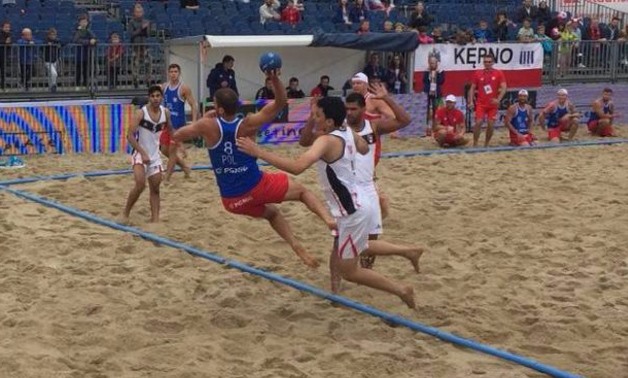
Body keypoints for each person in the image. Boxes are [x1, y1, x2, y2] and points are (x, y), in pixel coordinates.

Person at [237, 96, 418, 308]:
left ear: (329, 121)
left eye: (317, 115)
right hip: (359, 202)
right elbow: (363, 148)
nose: (314, 119)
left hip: (353, 211)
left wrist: (258, 152)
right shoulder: (347, 131)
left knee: (349, 271)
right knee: (355, 246)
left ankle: (402, 290)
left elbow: (297, 167)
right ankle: (408, 252)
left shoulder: (325, 140)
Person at [172, 71, 335, 268]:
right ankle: (328, 220)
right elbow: (281, 102)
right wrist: (273, 78)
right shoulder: (249, 124)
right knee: (302, 192)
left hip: (231, 200)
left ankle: (297, 247)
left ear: (219, 109)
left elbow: (178, 134)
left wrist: (201, 122)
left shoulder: (208, 125)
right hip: (257, 185)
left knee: (272, 214)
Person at [299, 87, 421, 287]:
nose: (349, 112)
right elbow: (304, 141)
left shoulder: (373, 127)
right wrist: (313, 115)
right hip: (349, 189)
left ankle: (366, 274)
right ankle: (336, 286)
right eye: (347, 108)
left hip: (368, 187)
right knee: (340, 242)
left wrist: (386, 99)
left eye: (354, 109)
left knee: (368, 241)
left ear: (364, 109)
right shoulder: (338, 128)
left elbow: (405, 121)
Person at [123, 85, 172, 223]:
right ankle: (126, 212)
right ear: (149, 98)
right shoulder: (141, 113)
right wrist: (142, 153)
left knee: (155, 188)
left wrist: (177, 143)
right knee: (140, 184)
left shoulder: (166, 113)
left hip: (155, 155)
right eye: (153, 96)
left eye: (158, 96)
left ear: (162, 97)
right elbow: (130, 135)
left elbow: (171, 130)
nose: (155, 99)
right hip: (140, 153)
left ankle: (155, 220)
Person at [160, 63, 196, 181]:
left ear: (179, 73)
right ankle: (185, 167)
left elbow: (193, 105)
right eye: (171, 72)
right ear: (168, 73)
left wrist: (194, 122)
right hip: (167, 124)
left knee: (172, 151)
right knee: (164, 150)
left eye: (175, 72)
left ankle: (167, 177)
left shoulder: (184, 88)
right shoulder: (164, 87)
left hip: (178, 124)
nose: (173, 74)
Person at [468, 53, 507, 147]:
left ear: (493, 62)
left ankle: (486, 144)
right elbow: (472, 88)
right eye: (485, 62)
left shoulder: (498, 73)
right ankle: (475, 143)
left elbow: (504, 87)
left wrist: (498, 99)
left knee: (490, 125)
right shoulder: (478, 73)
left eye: (489, 62)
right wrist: (470, 101)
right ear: (483, 62)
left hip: (492, 104)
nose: (487, 63)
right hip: (481, 103)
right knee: (478, 123)